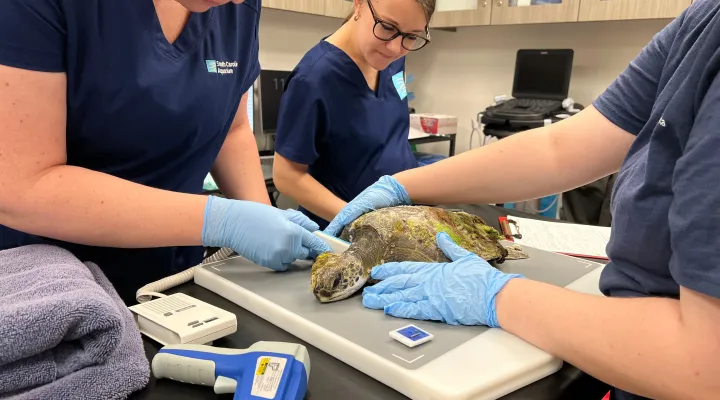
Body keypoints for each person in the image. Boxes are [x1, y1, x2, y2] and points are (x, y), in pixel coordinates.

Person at [323, 1, 720, 399]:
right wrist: (402, 185)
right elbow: (560, 146)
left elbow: (703, 367)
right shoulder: (703, 23)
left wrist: (498, 296)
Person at [0, 0, 329, 304]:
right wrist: (220, 220)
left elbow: (232, 128)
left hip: (172, 277)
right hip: (53, 288)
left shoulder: (238, 7)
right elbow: (22, 187)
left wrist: (267, 219)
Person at [272, 0, 434, 229]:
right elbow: (287, 177)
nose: (395, 49)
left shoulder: (391, 57)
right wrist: (360, 221)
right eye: (387, 28)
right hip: (345, 236)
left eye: (412, 37)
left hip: (402, 221)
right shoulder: (313, 79)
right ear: (358, 4)